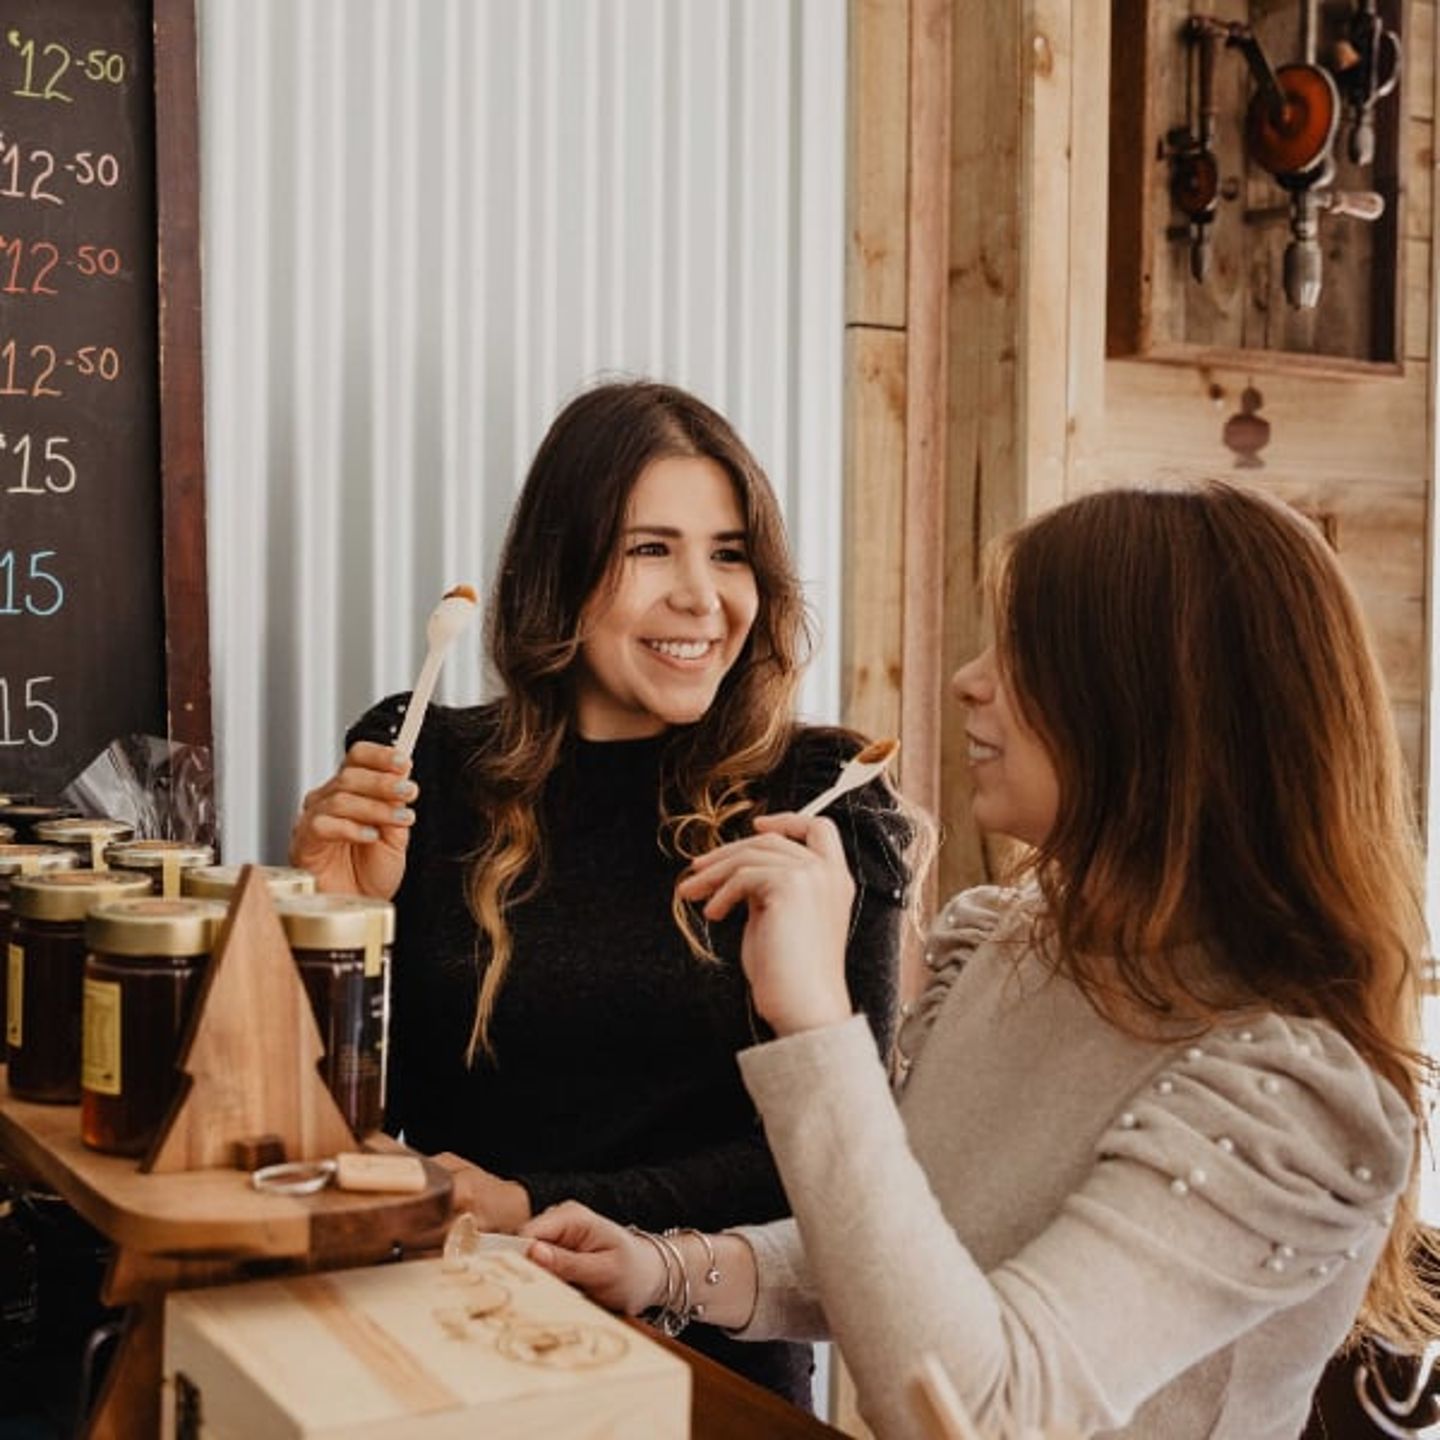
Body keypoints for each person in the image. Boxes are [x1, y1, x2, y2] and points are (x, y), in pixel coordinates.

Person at [520, 481, 1439, 1440]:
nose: (968, 677)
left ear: (1153, 704)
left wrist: (818, 1023)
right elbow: (919, 1255)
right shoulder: (1014, 936)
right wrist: (664, 1268)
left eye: (1022, 651)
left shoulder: (1291, 1093)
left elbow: (984, 1415)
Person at [289, 379, 914, 1408]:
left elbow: (839, 1165)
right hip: (445, 1327)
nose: (701, 599)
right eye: (649, 549)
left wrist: (534, 1199)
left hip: (705, 1362)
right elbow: (340, 1123)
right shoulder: (424, 759)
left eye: (729, 553)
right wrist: (327, 920)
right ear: (561, 570)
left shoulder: (823, 802)